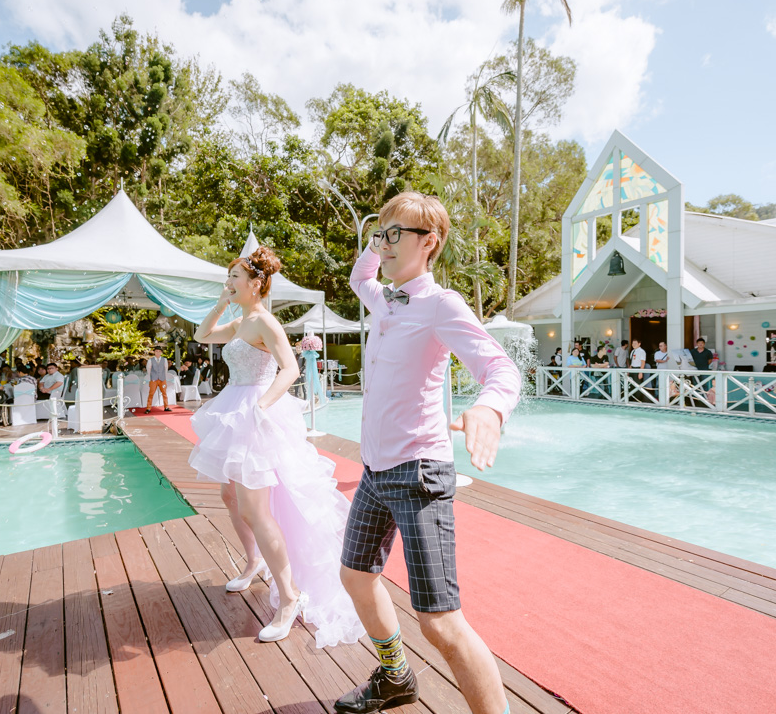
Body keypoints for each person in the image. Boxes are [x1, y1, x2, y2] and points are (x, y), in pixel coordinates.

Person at [340, 192, 521, 714]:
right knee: (355, 576)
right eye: (381, 232)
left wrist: (488, 410)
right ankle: (396, 677)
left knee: (440, 621)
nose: (384, 243)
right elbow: (359, 279)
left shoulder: (442, 305)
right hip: (375, 472)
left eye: (398, 234)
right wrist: (378, 236)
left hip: (419, 474)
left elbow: (501, 369)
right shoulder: (384, 298)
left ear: (431, 243)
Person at [190, 246, 365, 649]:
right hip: (234, 407)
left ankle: (290, 597)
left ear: (255, 284)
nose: (229, 282)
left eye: (235, 277)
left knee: (255, 508)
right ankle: (253, 562)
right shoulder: (240, 321)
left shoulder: (266, 322)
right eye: (229, 277)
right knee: (229, 493)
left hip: (256, 413)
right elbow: (201, 336)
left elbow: (288, 368)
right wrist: (220, 303)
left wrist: (263, 406)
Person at [144, 346, 172, 414]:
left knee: (164, 393)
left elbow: (166, 369)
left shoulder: (164, 360)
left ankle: (166, 407)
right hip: (154, 379)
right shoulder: (150, 360)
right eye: (156, 351)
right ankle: (148, 408)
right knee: (151, 393)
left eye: (159, 351)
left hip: (162, 379)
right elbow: (149, 369)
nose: (158, 353)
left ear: (161, 352)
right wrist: (152, 376)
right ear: (154, 352)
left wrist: (163, 376)